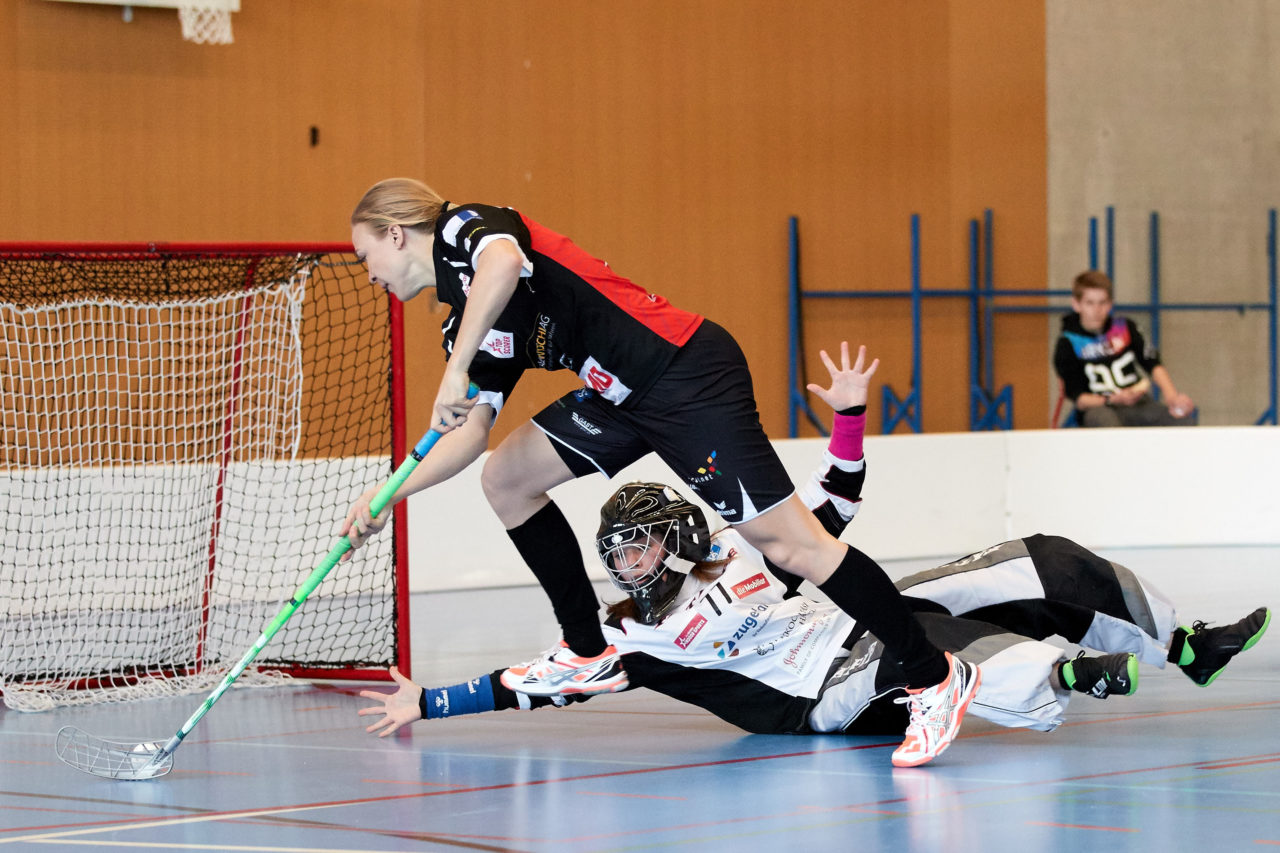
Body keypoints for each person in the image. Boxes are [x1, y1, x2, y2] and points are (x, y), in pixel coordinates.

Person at [343, 178, 976, 767]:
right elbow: (470, 434)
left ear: (395, 233)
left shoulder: (466, 225)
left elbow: (503, 264)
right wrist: (389, 493)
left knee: (793, 545)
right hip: (617, 397)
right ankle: (586, 650)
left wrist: (455, 369)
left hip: (682, 372)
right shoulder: (464, 324)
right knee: (506, 478)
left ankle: (933, 677)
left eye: (365, 254)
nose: (369, 273)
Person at [356, 366, 1270, 755]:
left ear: (678, 535)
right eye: (617, 546)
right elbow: (542, 678)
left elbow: (832, 511)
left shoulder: (744, 556)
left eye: (639, 539)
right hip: (820, 702)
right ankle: (1070, 672)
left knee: (1033, 560)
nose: (627, 559)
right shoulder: (638, 637)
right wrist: (432, 701)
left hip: (849, 627)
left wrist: (847, 415)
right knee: (930, 646)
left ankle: (1181, 645)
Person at [1054, 269, 1195, 427]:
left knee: (1182, 420)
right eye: (1090, 303)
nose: (1096, 310)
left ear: (1110, 304)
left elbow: (1152, 363)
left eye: (1102, 303)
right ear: (1076, 304)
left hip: (1137, 405)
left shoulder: (1125, 328)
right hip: (1100, 408)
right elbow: (1078, 399)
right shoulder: (1068, 343)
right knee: (1108, 424)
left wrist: (1172, 398)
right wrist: (1113, 399)